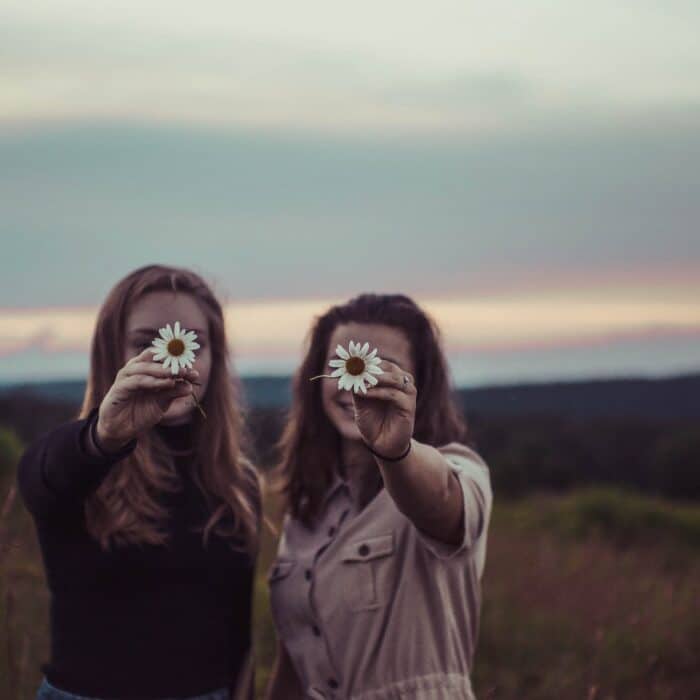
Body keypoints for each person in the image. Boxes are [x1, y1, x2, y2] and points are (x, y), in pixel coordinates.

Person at [17, 265, 260, 700]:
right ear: (112, 353)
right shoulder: (81, 460)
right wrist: (104, 437)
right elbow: (42, 478)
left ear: (214, 357)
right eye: (146, 342)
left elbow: (239, 636)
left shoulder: (238, 483)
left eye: (193, 342)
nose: (172, 356)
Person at [265, 293, 493, 700]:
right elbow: (296, 662)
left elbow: (441, 501)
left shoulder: (458, 469)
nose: (360, 381)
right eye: (345, 364)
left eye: (384, 367)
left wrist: (396, 451)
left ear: (420, 384)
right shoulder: (307, 508)